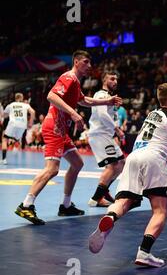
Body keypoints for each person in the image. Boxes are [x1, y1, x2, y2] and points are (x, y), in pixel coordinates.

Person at [88, 83, 167, 267]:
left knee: (123, 202)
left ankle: (110, 218)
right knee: (160, 210)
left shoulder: (153, 114)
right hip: (154, 159)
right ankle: (144, 253)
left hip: (134, 158)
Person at [14, 50, 122, 225]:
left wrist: (106, 101)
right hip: (54, 127)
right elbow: (51, 95)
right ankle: (26, 205)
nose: (89, 66)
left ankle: (65, 205)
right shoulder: (69, 77)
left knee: (77, 163)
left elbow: (84, 101)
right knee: (52, 169)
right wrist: (73, 114)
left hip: (62, 130)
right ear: (77, 62)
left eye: (90, 62)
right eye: (86, 62)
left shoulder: (76, 83)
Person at [87, 71, 125, 207]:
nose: (115, 81)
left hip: (105, 135)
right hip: (99, 134)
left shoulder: (109, 97)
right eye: (112, 78)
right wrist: (117, 130)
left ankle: (104, 191)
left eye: (116, 79)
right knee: (113, 165)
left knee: (121, 163)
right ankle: (95, 199)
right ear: (104, 80)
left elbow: (110, 115)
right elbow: (102, 115)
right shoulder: (101, 95)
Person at [1, 93, 35, 164]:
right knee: (17, 139)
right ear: (22, 98)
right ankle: (16, 147)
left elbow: (4, 115)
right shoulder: (26, 105)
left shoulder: (11, 105)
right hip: (22, 125)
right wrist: (30, 122)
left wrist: (2, 112)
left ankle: (4, 159)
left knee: (4, 139)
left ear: (15, 98)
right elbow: (33, 112)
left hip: (13, 124)